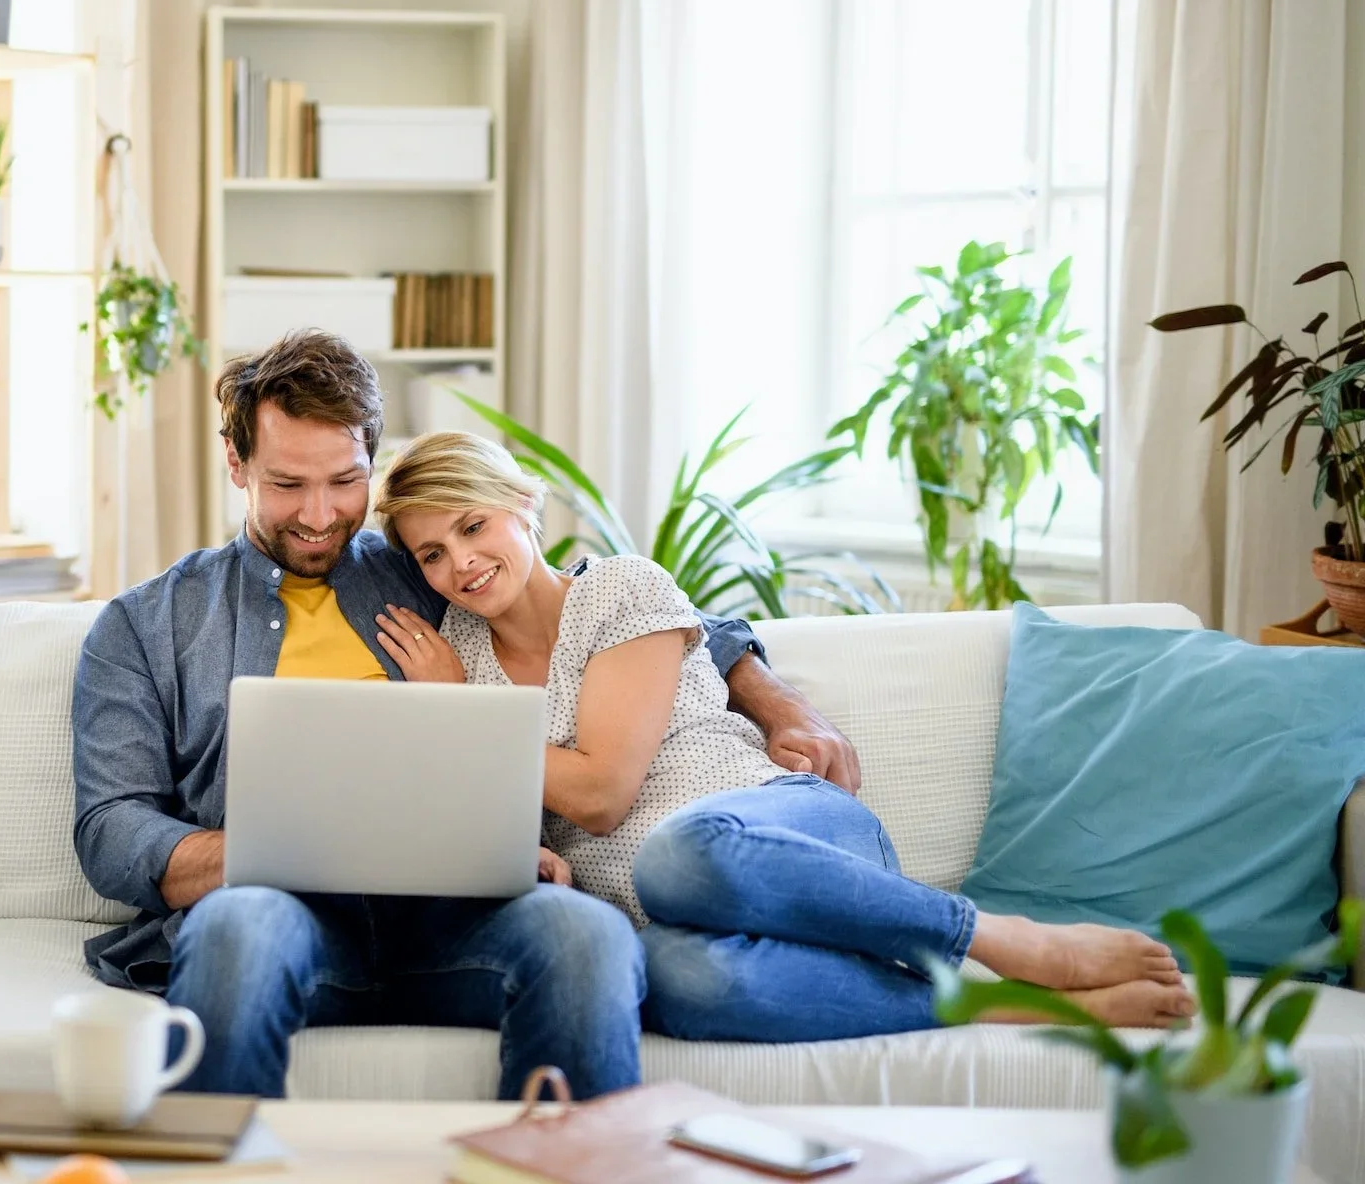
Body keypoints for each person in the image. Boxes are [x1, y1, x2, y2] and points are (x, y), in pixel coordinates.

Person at [72, 331, 869, 1098]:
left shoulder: (427, 565)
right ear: (236, 461)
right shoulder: (148, 625)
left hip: (468, 916)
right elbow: (110, 829)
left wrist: (778, 703)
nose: (319, 514)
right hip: (276, 912)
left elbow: (639, 616)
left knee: (587, 938)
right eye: (287, 485)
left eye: (344, 481)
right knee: (237, 935)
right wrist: (272, 849)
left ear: (371, 463)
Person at [372, 429, 1199, 1041]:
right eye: (434, 554)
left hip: (785, 837)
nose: (462, 565)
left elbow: (598, 793)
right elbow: (521, 830)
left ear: (521, 505)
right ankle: (1019, 1007)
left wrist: (463, 717)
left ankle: (999, 940)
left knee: (678, 853)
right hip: (669, 923)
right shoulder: (457, 662)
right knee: (683, 985)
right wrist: (524, 856)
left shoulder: (623, 592)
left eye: (474, 526)